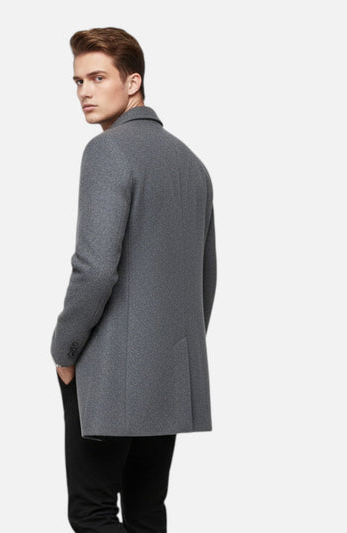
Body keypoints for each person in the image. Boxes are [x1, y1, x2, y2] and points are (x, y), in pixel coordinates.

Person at [50, 26, 217, 532]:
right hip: (168, 371)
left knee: (93, 511)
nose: (84, 91)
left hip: (108, 371)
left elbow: (95, 268)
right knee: (146, 511)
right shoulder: (192, 164)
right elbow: (205, 277)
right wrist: (173, 351)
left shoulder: (108, 151)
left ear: (133, 81)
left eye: (98, 77)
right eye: (78, 80)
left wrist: (64, 349)